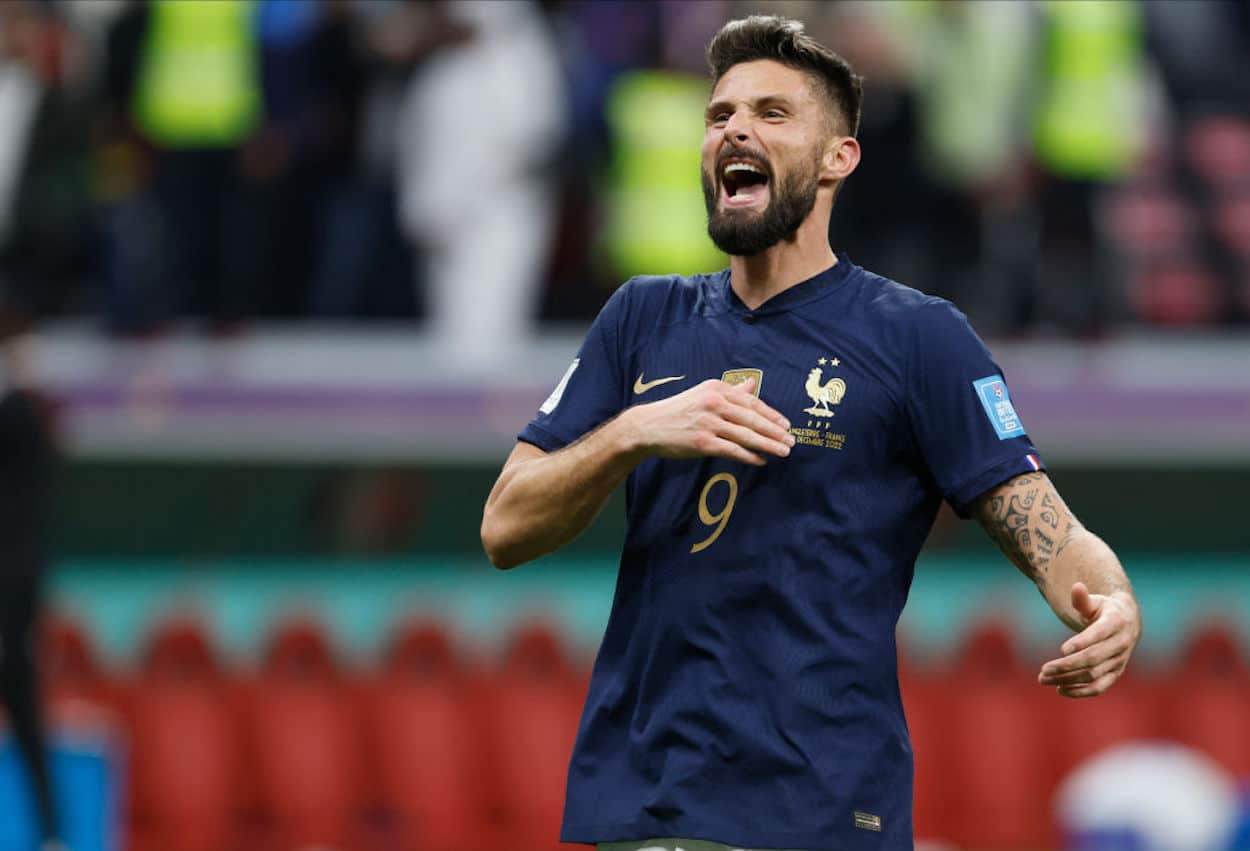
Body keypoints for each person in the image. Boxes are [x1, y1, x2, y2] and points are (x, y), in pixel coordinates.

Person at [481, 16, 1142, 851]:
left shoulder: (917, 338)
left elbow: (1052, 531)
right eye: (719, 116)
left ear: (839, 158)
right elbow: (504, 525)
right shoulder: (641, 318)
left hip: (826, 815)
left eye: (771, 113)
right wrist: (633, 432)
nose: (736, 131)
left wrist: (1112, 602)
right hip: (646, 807)